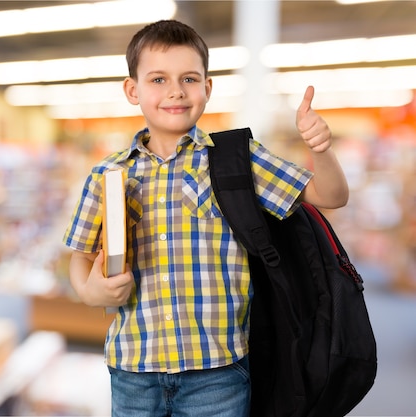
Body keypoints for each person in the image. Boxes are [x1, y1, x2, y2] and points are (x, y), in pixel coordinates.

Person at [62, 19, 349, 417]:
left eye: (190, 79)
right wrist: (89, 291)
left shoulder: (236, 158)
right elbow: (79, 256)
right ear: (133, 90)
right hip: (132, 369)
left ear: (207, 88)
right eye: (158, 79)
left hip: (217, 372)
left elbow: (331, 196)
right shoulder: (108, 175)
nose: (176, 91)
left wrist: (321, 149)